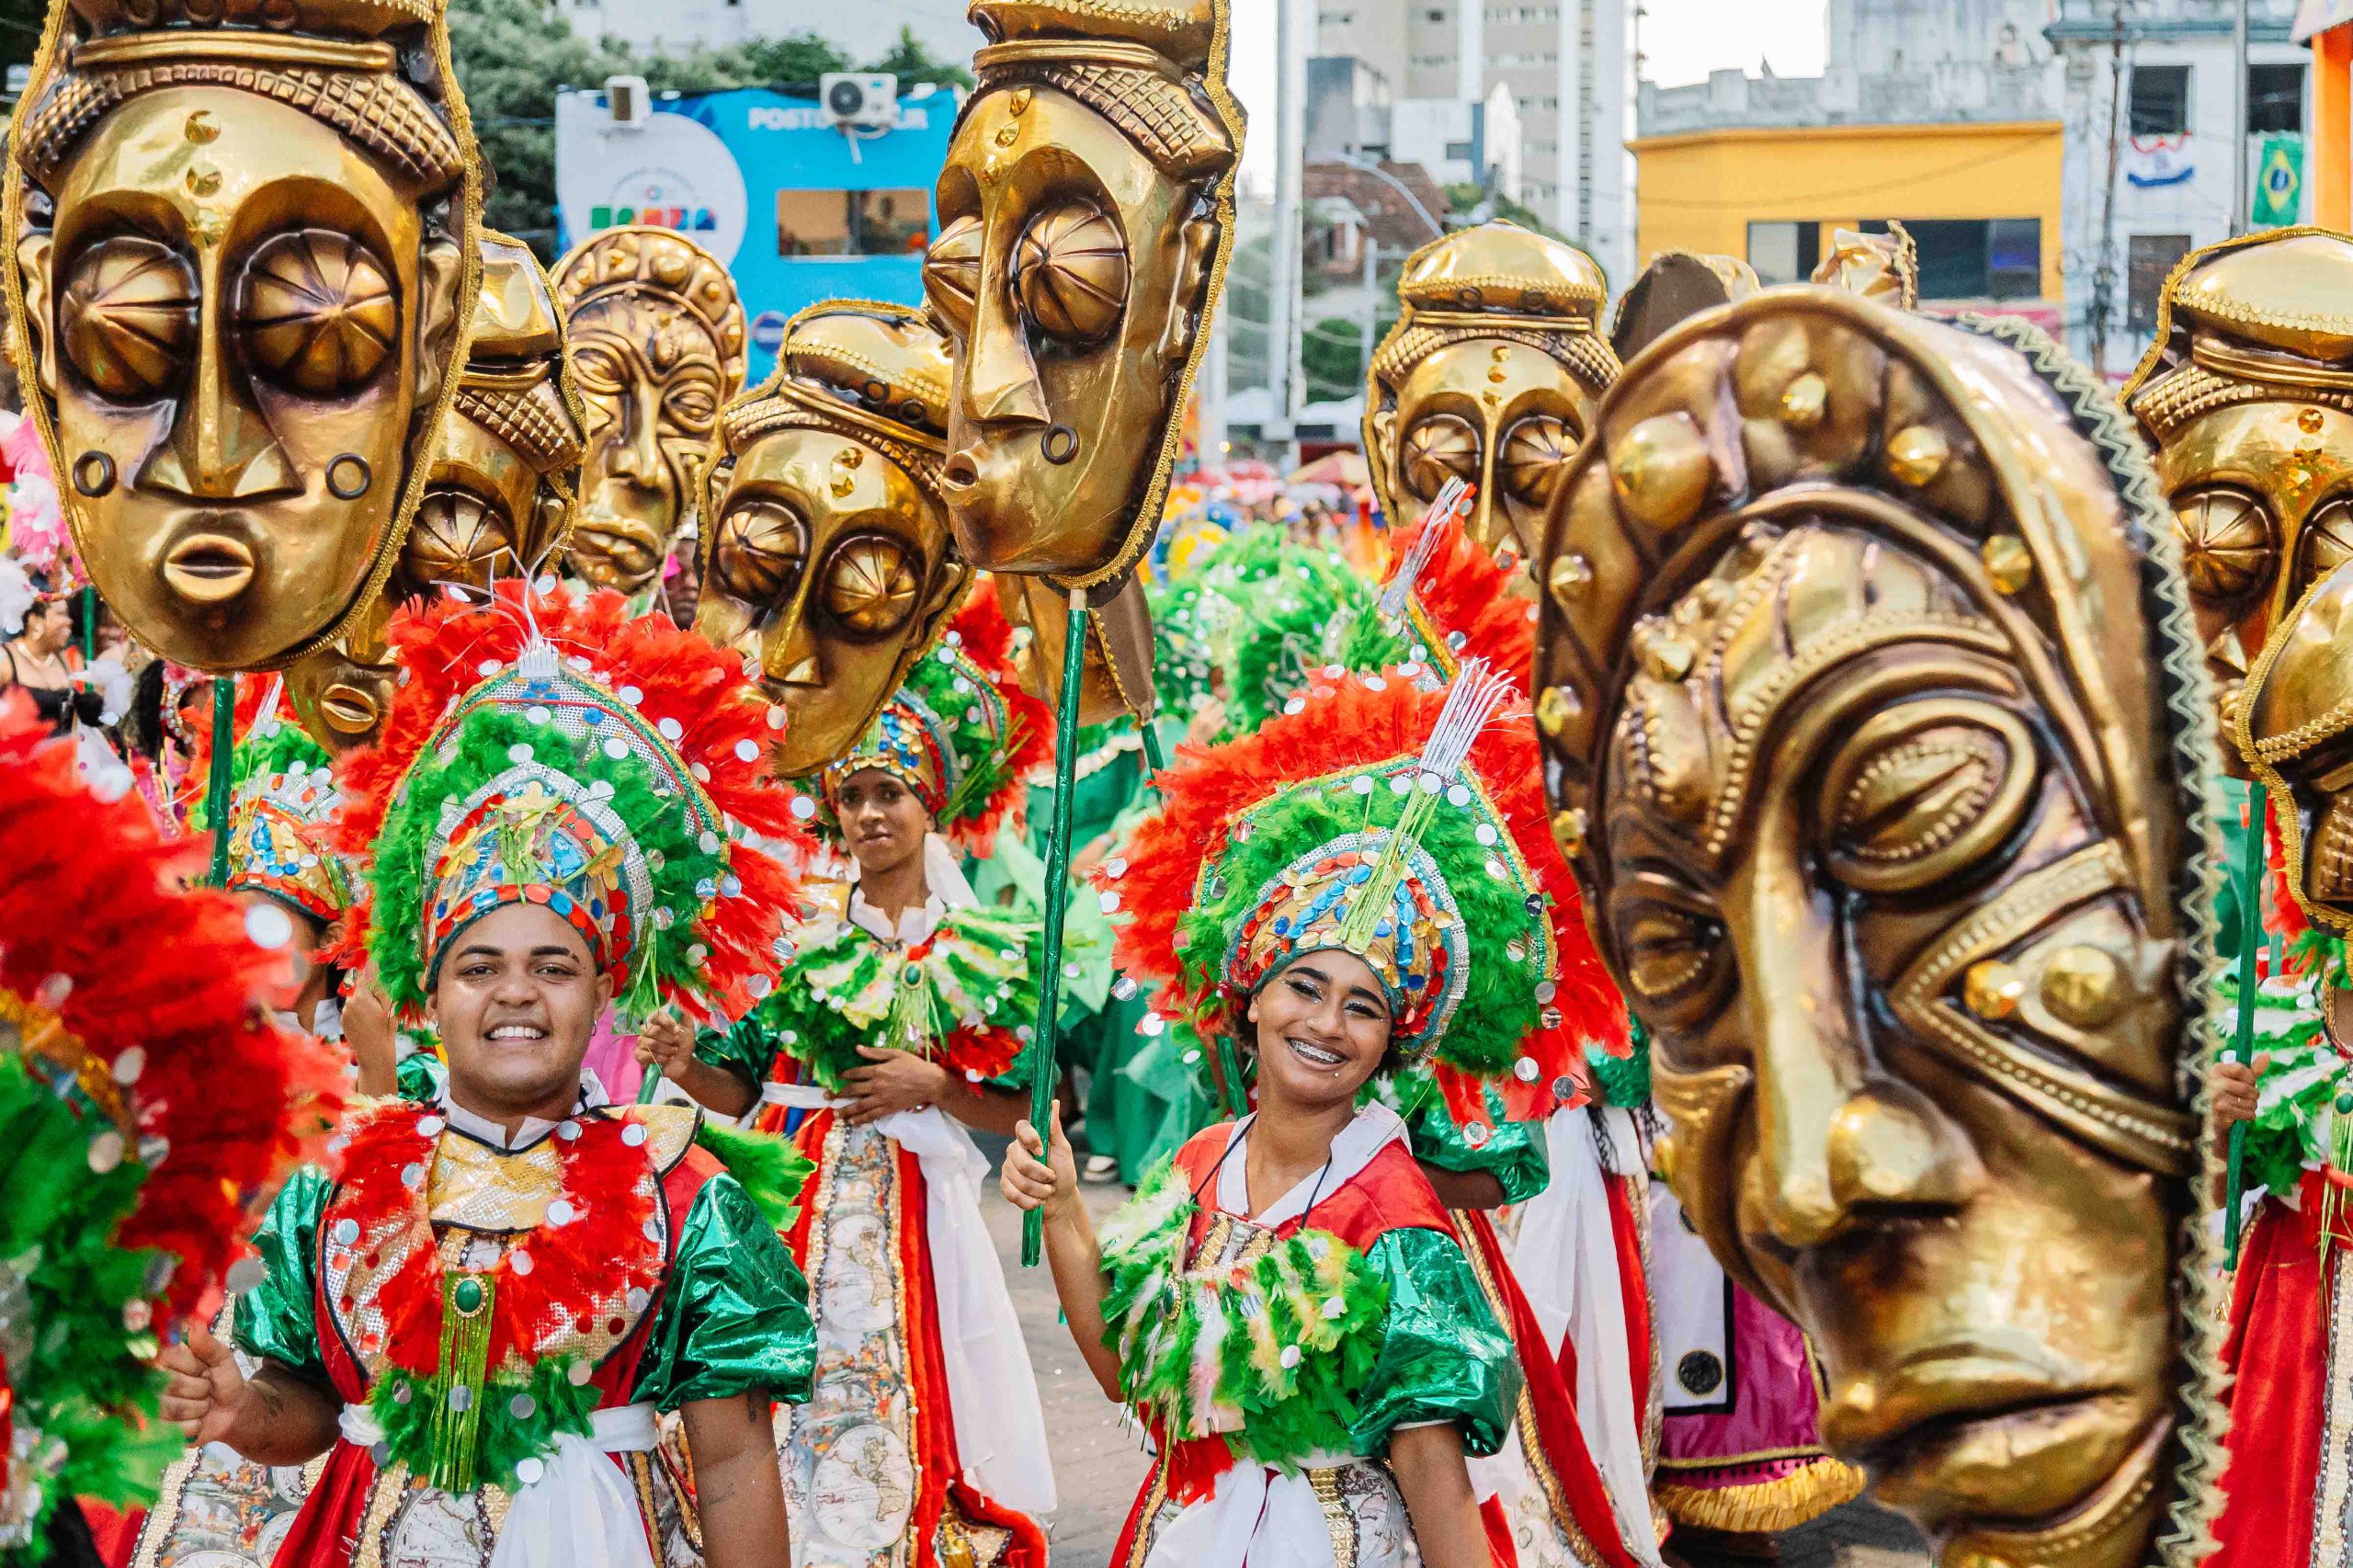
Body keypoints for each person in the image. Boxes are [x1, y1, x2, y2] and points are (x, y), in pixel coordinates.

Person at [151, 580, 819, 1568]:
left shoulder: (685, 1200)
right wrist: (243, 1408)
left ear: (602, 995)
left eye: (552, 965)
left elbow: (730, 1462)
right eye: (480, 965)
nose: (516, 993)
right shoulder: (334, 1190)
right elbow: (313, 1409)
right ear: (428, 988)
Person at [1005, 660, 1643, 1568]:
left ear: (1394, 1040)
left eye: (1363, 1005)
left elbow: (1438, 1488)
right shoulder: (1198, 1161)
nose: (1325, 1024)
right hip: (1180, 1530)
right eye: (1304, 986)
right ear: (1252, 998)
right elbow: (1130, 1375)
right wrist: (1064, 1204)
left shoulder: (1398, 1224)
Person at [646, 591, 1056, 1567]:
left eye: (892, 793)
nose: (872, 813)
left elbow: (1027, 1106)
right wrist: (682, 1065)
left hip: (916, 1211)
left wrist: (931, 1084)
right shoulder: (800, 935)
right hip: (790, 1192)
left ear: (932, 804)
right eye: (855, 795)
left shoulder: (979, 948)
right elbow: (747, 1092)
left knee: (897, 1373)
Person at [0, 692, 341, 1562]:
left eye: (283, 940)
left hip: (251, 1373)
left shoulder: (357, 1068)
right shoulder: (131, 1070)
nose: (261, 961)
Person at [0, 579, 99, 735]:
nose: (69, 621)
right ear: (35, 620)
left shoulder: (68, 662)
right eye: (60, 614)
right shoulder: (5, 660)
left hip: (57, 757)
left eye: (68, 615)